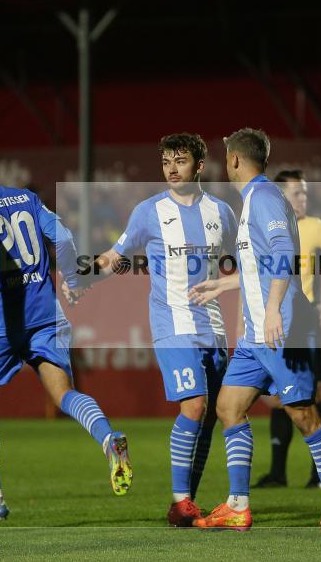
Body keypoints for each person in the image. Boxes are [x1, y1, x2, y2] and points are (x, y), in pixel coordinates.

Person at [0, 146, 132, 525]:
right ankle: (107, 437)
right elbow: (62, 237)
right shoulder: (27, 198)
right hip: (46, 313)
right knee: (64, 393)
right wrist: (74, 276)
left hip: (2, 319)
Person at [188, 128, 321, 533]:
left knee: (303, 414)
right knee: (228, 407)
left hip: (281, 331)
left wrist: (276, 309)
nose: (226, 165)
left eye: (227, 158)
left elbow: (282, 257)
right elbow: (258, 266)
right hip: (253, 339)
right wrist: (222, 284)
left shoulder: (263, 198)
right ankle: (238, 506)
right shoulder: (252, 202)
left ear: (236, 161)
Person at [88, 133, 237, 527]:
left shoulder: (221, 212)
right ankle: (179, 499)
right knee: (195, 406)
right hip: (172, 323)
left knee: (213, 416)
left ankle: (189, 501)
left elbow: (245, 264)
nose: (172, 168)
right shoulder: (148, 212)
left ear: (200, 166)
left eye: (181, 160)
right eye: (167, 161)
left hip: (214, 328)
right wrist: (83, 274)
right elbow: (114, 256)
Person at [254, 169, 321, 490]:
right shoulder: (266, 230)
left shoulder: (314, 228)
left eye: (304, 194)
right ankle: (278, 473)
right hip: (272, 320)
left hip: (303, 322)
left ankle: (318, 472)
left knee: (311, 393)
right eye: (296, 193)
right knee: (275, 394)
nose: (303, 199)